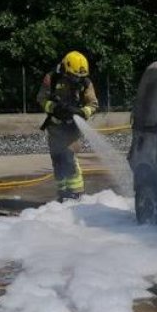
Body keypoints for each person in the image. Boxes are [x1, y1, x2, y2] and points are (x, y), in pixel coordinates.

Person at [37, 51, 99, 201]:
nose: (76, 79)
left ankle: (76, 194)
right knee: (58, 160)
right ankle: (63, 194)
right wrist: (55, 108)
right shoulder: (52, 78)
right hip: (55, 127)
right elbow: (41, 98)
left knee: (69, 159)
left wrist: (81, 112)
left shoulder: (85, 83)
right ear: (65, 68)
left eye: (79, 77)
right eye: (73, 76)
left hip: (73, 128)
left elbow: (93, 104)